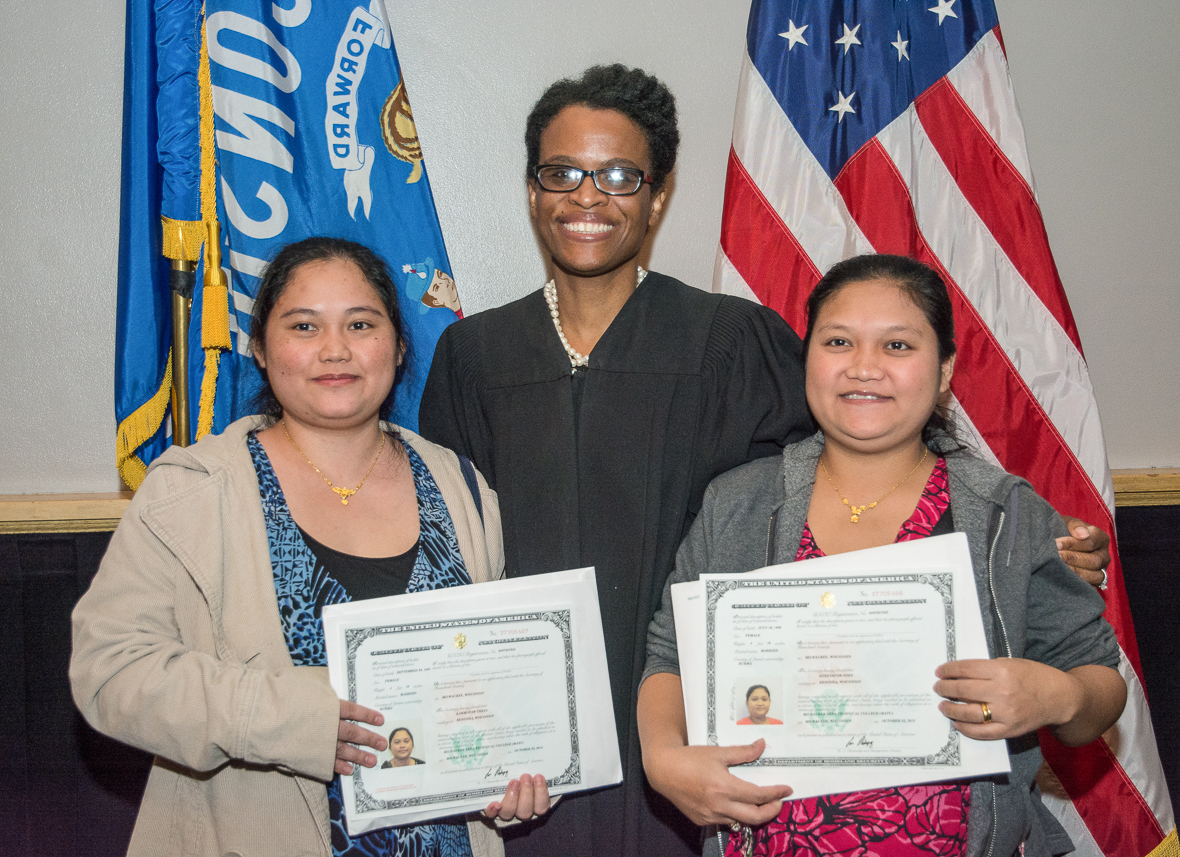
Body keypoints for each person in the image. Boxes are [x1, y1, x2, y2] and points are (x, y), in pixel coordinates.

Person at [420, 66, 1112, 857]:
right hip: (537, 747)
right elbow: (441, 548)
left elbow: (860, 461)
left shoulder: (733, 342)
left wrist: (1036, 548)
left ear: (657, 193)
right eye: (561, 172)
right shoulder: (475, 356)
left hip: (723, 736)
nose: (587, 196)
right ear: (533, 186)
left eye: (618, 175)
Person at [70, 237, 546, 857]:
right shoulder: (194, 490)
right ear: (261, 350)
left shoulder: (462, 487)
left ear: (399, 347)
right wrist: (292, 717)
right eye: (303, 326)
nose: (335, 349)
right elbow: (110, 672)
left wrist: (510, 775)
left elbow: (489, 685)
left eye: (360, 323)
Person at [637, 254, 1126, 857]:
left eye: (897, 346)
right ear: (808, 358)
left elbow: (1099, 680)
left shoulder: (1002, 513)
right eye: (838, 341)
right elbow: (670, 653)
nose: (864, 367)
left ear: (945, 370)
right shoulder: (737, 501)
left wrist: (1056, 697)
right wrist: (662, 760)